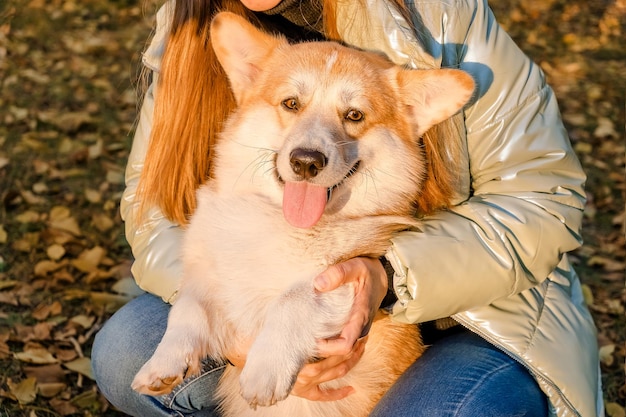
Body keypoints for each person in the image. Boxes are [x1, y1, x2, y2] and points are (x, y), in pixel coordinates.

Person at [91, 0, 604, 416]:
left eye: (353, 115)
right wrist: (229, 334)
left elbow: (544, 198)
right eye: (291, 106)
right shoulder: (188, 24)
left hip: (478, 319)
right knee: (127, 348)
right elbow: (149, 206)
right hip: (249, 279)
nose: (311, 149)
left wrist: (386, 275)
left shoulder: (443, 14)